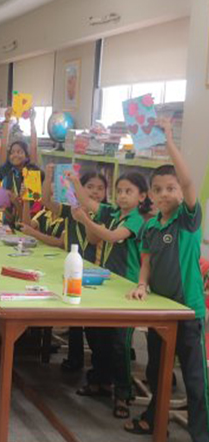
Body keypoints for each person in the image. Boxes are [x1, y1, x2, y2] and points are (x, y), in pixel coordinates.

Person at [126, 118, 209, 442]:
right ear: (150, 195)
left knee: (194, 379)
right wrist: (142, 284)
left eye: (171, 188)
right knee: (157, 370)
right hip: (161, 313)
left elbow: (189, 182)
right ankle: (153, 417)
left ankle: (203, 441)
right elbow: (146, 262)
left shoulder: (187, 221)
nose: (165, 194)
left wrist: (170, 141)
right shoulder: (150, 227)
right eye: (158, 189)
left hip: (188, 313)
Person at [69, 172, 150, 418]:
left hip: (127, 289)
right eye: (119, 191)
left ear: (142, 197)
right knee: (96, 333)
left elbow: (112, 237)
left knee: (119, 343)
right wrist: (74, 181)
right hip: (106, 283)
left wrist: (85, 220)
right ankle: (100, 381)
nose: (122, 196)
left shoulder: (136, 220)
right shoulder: (112, 212)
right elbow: (87, 201)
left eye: (129, 192)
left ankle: (123, 394)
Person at [41, 166, 109, 372]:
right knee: (74, 317)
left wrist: (85, 218)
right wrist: (49, 177)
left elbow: (93, 239)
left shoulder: (105, 213)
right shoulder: (72, 208)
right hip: (72, 270)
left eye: (100, 188)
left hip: (94, 274)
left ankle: (99, 368)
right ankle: (75, 358)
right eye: (90, 187)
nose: (95, 192)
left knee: (92, 323)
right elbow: (46, 202)